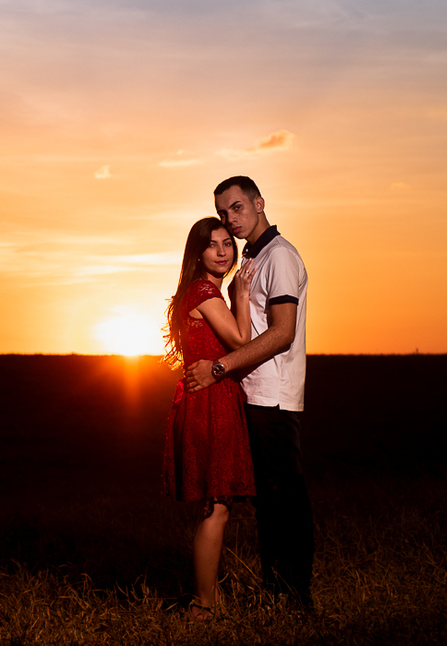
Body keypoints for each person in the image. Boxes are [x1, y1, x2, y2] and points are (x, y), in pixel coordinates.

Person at [185, 176, 314, 610]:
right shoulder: (250, 261)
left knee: (286, 503)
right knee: (268, 506)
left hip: (274, 395)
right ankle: (275, 593)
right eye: (223, 213)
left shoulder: (279, 256)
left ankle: (295, 600)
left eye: (237, 208)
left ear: (259, 204)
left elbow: (280, 334)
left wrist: (219, 368)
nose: (231, 219)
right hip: (250, 396)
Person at [161, 216, 257, 622]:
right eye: (213, 245)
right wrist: (244, 293)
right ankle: (203, 606)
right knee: (217, 507)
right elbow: (241, 341)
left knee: (216, 506)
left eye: (226, 244)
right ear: (197, 254)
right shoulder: (204, 290)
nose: (223, 252)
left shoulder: (195, 290)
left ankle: (207, 599)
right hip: (210, 403)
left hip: (208, 399)